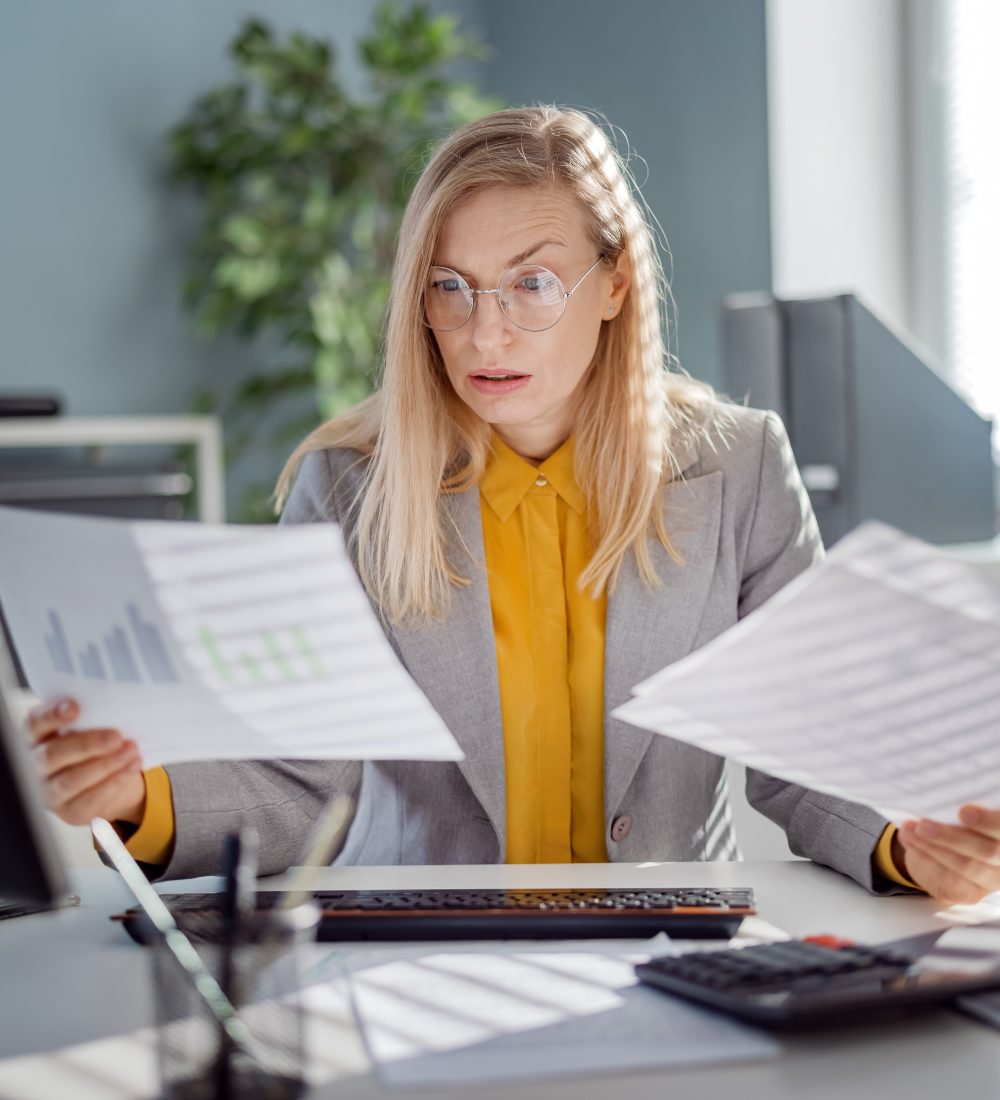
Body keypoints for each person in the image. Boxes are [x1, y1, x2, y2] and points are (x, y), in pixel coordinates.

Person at [28, 106, 1000, 904]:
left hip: (671, 952)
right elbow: (302, 777)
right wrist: (135, 796)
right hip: (415, 955)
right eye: (452, 287)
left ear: (614, 282)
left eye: (532, 283)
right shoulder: (350, 484)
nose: (484, 329)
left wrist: (906, 842)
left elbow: (807, 745)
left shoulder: (738, 467)